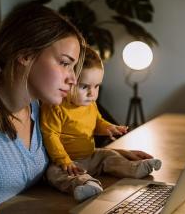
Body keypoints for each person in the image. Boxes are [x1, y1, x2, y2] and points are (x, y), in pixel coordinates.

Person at [0, 1, 86, 214]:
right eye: (64, 63)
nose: (72, 78)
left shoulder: (39, 109)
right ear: (25, 56)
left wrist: (113, 158)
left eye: (73, 66)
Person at [40, 46, 162, 202]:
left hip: (91, 156)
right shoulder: (56, 107)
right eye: (85, 87)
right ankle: (84, 185)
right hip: (68, 163)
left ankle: (135, 168)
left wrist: (109, 127)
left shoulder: (90, 104)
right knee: (54, 173)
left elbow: (97, 122)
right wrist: (64, 160)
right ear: (68, 80)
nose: (92, 93)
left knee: (108, 155)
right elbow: (50, 135)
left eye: (97, 86)